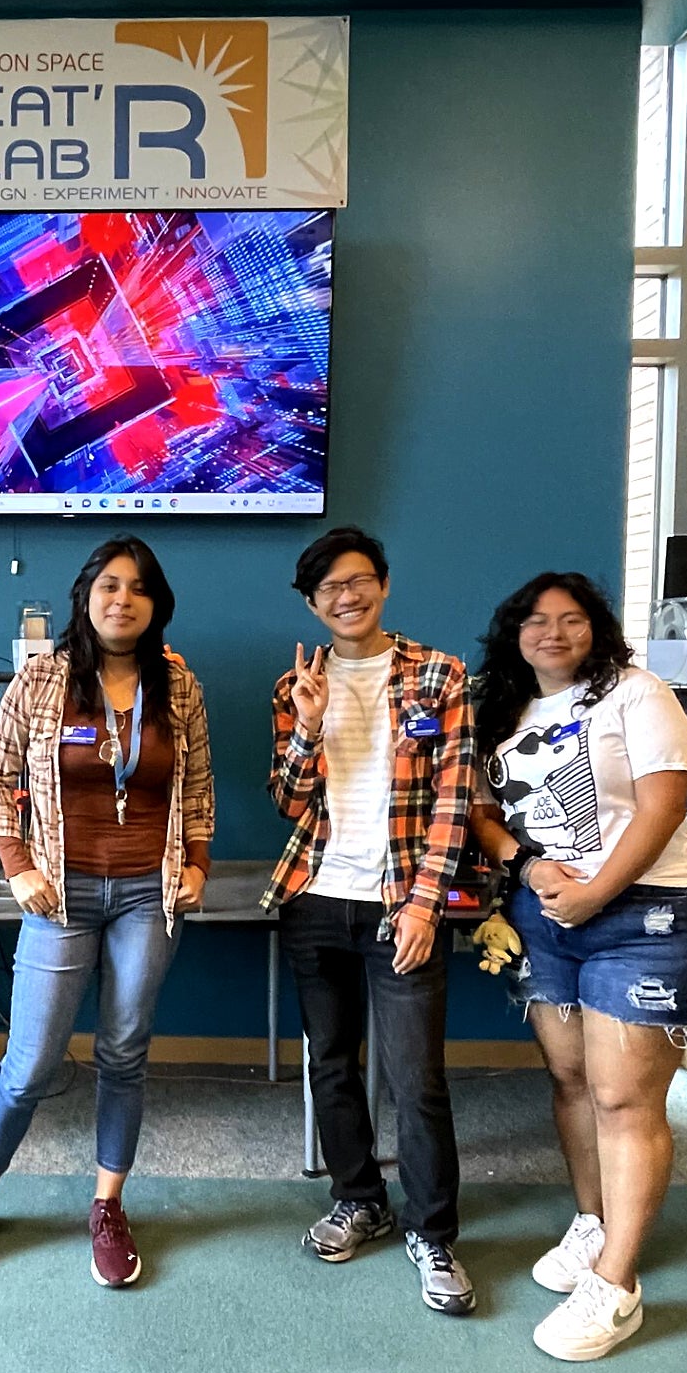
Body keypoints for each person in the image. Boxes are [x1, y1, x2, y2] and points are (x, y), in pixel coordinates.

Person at [0, 535, 214, 1287]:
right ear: (88, 595)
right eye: (110, 585)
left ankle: (108, 1206)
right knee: (30, 1063)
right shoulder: (43, 681)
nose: (123, 599)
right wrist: (17, 866)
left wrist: (198, 865)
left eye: (140, 588)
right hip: (62, 895)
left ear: (157, 605)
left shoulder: (179, 688)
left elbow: (201, 787)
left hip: (149, 891)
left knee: (123, 1051)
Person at [470, 571, 687, 1361]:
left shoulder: (637, 694)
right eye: (536, 621)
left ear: (597, 628)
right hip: (546, 919)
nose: (554, 633)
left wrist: (595, 893)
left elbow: (663, 805)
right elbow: (479, 811)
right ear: (515, 632)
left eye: (572, 620)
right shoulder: (501, 709)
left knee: (623, 1097)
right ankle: (593, 1223)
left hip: (646, 915)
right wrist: (528, 866)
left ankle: (618, 1286)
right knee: (573, 1080)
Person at [261, 526, 477, 1315]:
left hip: (400, 901)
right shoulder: (295, 688)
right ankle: (361, 1199)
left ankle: (433, 1232)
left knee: (417, 1080)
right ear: (312, 604)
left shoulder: (439, 674)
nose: (345, 597)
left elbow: (455, 798)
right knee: (332, 1064)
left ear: (382, 584)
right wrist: (311, 726)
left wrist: (424, 902)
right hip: (315, 897)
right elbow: (287, 799)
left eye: (357, 581)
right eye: (328, 589)